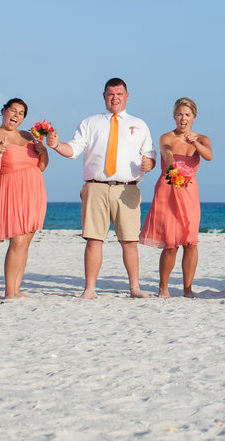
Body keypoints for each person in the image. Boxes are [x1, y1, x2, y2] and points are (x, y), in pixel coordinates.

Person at [47, 78, 156, 299]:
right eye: (110, 94)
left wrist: (150, 164)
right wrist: (56, 145)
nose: (115, 98)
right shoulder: (90, 122)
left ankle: (134, 288)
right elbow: (74, 149)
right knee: (94, 240)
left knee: (129, 241)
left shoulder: (139, 124)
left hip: (127, 189)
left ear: (127, 96)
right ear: (104, 96)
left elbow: (150, 154)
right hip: (95, 187)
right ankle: (89, 289)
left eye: (119, 94)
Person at [138, 97, 213, 298]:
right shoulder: (166, 137)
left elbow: (209, 156)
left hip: (189, 192)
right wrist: (173, 164)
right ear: (174, 116)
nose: (183, 118)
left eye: (187, 115)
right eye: (179, 114)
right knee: (171, 243)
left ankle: (188, 288)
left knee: (191, 242)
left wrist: (195, 142)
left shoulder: (202, 139)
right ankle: (163, 287)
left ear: (194, 118)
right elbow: (167, 153)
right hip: (168, 189)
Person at [0, 98, 49, 299]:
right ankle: (9, 291)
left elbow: (42, 166)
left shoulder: (29, 135)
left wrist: (43, 150)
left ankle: (17, 288)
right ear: (4, 111)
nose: (16, 115)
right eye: (13, 110)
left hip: (34, 189)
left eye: (20, 113)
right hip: (13, 190)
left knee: (26, 241)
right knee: (18, 241)